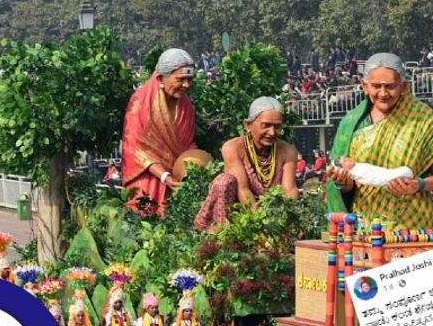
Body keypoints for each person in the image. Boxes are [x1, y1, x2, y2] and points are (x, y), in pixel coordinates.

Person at [326, 53, 433, 230]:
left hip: (415, 227)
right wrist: (343, 183)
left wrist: (419, 185)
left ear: (404, 87)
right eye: (376, 86)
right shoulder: (351, 124)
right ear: (364, 86)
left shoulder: (424, 120)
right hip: (367, 229)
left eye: (390, 87)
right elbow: (346, 186)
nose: (383, 93)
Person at [194, 97, 299, 231]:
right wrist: (260, 224)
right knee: (224, 181)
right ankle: (221, 232)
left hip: (273, 214)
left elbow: (290, 190)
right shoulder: (232, 147)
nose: (272, 132)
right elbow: (243, 189)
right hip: (242, 210)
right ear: (248, 125)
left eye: (277, 127)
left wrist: (283, 219)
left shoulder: (288, 151)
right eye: (266, 125)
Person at [121, 48, 198, 216]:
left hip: (178, 179)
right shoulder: (139, 103)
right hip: (147, 177)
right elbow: (136, 148)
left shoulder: (186, 106)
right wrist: (164, 176)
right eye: (180, 79)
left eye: (189, 79)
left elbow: (187, 144)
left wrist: (194, 167)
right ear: (160, 78)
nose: (186, 85)